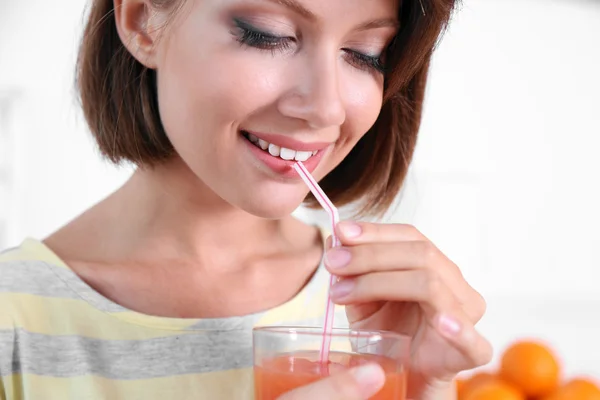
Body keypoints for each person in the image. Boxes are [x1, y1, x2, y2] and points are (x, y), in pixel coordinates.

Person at [0, 0, 493, 398]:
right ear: (143, 21)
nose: (325, 106)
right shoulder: (13, 323)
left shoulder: (378, 311)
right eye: (267, 34)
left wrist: (421, 391)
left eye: (366, 54)